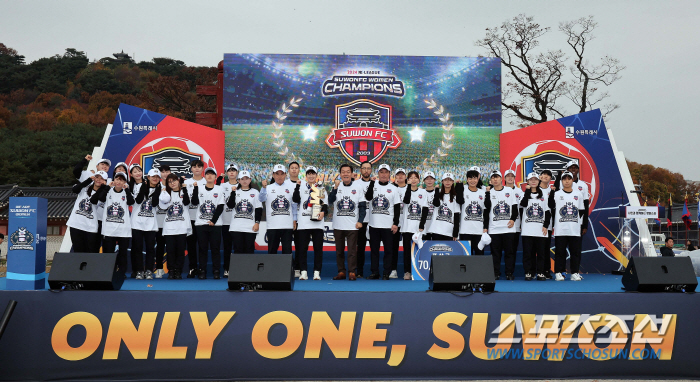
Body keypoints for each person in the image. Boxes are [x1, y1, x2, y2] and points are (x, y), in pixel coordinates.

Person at [329, 164, 367, 281]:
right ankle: (341, 271)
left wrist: (360, 220)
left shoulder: (358, 187)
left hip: (352, 225)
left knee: (352, 251)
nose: (345, 174)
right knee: (339, 251)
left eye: (348, 172)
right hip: (338, 224)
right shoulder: (336, 186)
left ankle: (352, 272)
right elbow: (330, 201)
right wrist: (335, 188)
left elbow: (362, 206)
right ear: (340, 174)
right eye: (343, 172)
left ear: (352, 174)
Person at [548, 171, 587, 281]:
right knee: (560, 252)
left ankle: (574, 273)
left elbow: (581, 210)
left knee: (575, 252)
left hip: (574, 229)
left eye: (569, 179)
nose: (566, 181)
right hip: (561, 229)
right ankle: (558, 273)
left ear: (572, 180)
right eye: (564, 179)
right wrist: (551, 192)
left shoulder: (578, 194)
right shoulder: (557, 194)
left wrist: (576, 223)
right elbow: (551, 206)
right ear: (562, 181)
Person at [94, 171, 134, 277]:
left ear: (125, 182)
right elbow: (101, 198)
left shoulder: (127, 192)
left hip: (123, 229)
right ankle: (108, 272)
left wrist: (127, 190)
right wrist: (107, 187)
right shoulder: (108, 191)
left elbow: (131, 202)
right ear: (113, 180)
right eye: (117, 179)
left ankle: (121, 273)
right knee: (108, 253)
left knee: (123, 253)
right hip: (109, 229)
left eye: (121, 180)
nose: (118, 181)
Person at [364, 164, 401, 280]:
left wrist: (395, 224)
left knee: (388, 251)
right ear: (378, 174)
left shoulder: (394, 188)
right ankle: (375, 272)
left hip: (388, 225)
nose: (384, 174)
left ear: (389, 174)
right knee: (374, 251)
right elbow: (368, 197)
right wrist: (371, 183)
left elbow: (396, 208)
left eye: (386, 172)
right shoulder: (372, 185)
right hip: (374, 224)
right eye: (381, 172)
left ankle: (386, 272)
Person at [293, 166, 328, 280]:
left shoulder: (321, 188)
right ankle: (303, 272)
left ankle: (317, 272)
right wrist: (297, 186)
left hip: (317, 224)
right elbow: (295, 199)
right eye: (309, 174)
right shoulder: (301, 186)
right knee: (302, 249)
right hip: (303, 223)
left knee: (318, 249)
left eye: (313, 174)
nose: (311, 176)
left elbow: (325, 205)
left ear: (316, 175)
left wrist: (323, 212)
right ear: (306, 176)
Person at [192, 167, 225, 279]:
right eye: (207, 174)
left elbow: (220, 206)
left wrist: (213, 221)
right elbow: (194, 202)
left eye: (212, 174)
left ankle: (216, 271)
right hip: (201, 224)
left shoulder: (219, 189)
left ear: (216, 177)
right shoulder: (199, 188)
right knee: (202, 249)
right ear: (204, 176)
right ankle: (202, 271)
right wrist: (195, 189)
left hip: (216, 224)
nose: (209, 176)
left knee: (215, 249)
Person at [485, 170, 518, 280]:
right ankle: (495, 273)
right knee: (495, 253)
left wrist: (513, 219)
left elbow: (514, 207)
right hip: (494, 228)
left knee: (509, 253)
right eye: (493, 177)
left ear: (501, 179)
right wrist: (487, 193)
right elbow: (486, 209)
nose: (495, 179)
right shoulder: (489, 192)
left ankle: (509, 273)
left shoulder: (509, 190)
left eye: (497, 177)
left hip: (508, 228)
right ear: (491, 180)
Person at [260, 164, 297, 257]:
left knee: (287, 252)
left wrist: (294, 219)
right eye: (277, 174)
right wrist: (263, 188)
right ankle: (271, 271)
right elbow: (261, 199)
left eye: (282, 174)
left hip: (287, 226)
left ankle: (287, 271)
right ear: (273, 175)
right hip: (272, 226)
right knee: (272, 251)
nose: (279, 176)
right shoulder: (267, 188)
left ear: (285, 175)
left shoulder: (291, 188)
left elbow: (294, 205)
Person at [130, 169, 161, 280]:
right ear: (148, 177)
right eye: (153, 176)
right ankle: (139, 271)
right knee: (137, 248)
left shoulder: (160, 189)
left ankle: (148, 270)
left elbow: (154, 203)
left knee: (150, 249)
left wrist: (157, 190)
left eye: (157, 177)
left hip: (151, 224)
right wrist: (144, 187)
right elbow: (137, 201)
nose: (155, 178)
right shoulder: (137, 186)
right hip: (137, 223)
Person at [520, 172, 551, 281]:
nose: (533, 181)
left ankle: (540, 272)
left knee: (541, 253)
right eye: (531, 179)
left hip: (540, 230)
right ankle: (529, 272)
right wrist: (527, 191)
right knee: (528, 253)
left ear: (538, 181)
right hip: (527, 230)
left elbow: (548, 212)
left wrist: (546, 225)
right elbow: (522, 205)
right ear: (527, 182)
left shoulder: (544, 196)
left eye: (535, 179)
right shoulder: (523, 194)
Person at [159, 174, 192, 279]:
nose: (172, 183)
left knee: (180, 251)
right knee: (170, 251)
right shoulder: (166, 193)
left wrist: (184, 188)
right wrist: (163, 193)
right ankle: (171, 270)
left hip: (182, 226)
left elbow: (187, 202)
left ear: (178, 181)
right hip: (169, 227)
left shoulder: (184, 191)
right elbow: (162, 206)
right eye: (169, 182)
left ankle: (178, 271)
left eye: (174, 180)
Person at [66, 171, 108, 253]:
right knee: (78, 251)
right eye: (97, 177)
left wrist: (103, 187)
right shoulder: (85, 188)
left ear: (105, 181)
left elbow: (94, 200)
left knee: (90, 252)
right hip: (76, 224)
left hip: (90, 227)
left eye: (101, 178)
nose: (98, 180)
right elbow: (75, 189)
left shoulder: (103, 194)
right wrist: (88, 180)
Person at [227, 171, 262, 259]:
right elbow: (230, 205)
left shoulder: (255, 192)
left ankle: (248, 272)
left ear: (250, 180)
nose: (244, 181)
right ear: (239, 180)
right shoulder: (235, 191)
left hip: (250, 227)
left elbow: (259, 208)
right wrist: (233, 193)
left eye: (247, 178)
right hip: (236, 227)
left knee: (249, 250)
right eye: (242, 179)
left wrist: (257, 222)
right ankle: (239, 272)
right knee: (238, 250)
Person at [400, 171, 429, 280]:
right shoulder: (404, 191)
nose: (413, 180)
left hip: (419, 228)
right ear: (408, 180)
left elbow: (425, 210)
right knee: (407, 252)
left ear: (419, 179)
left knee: (420, 251)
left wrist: (421, 226)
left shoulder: (423, 192)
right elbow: (406, 201)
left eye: (415, 178)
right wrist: (408, 187)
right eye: (411, 178)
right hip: (407, 227)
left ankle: (419, 272)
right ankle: (407, 272)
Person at [457, 167, 488, 255]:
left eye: (474, 178)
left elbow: (485, 212)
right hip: (465, 230)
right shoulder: (463, 190)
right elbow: (459, 201)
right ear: (467, 179)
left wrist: (485, 227)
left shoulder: (483, 192)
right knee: (466, 256)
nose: (472, 180)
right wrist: (458, 185)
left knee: (479, 256)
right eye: (470, 178)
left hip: (479, 231)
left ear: (478, 179)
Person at [183, 160, 205, 277]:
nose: (197, 169)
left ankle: (202, 268)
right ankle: (192, 268)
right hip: (190, 219)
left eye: (199, 166)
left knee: (202, 245)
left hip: (203, 219)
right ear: (191, 169)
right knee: (191, 245)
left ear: (202, 169)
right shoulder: (186, 182)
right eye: (194, 166)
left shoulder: (207, 182)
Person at [220, 164, 239, 275]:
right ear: (227, 173)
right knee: (227, 247)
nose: (232, 172)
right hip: (225, 221)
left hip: (238, 222)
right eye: (229, 171)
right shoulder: (222, 186)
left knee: (237, 247)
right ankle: (227, 268)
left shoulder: (242, 185)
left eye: (234, 170)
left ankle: (236, 268)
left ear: (237, 173)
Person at [429, 173, 461, 241]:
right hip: (436, 230)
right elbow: (436, 204)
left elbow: (456, 216)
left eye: (450, 180)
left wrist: (455, 233)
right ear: (442, 181)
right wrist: (437, 190)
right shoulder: (437, 193)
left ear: (453, 182)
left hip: (449, 231)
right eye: (445, 180)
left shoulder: (455, 197)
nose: (447, 182)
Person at [355, 160, 373, 278]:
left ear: (371, 170)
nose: (366, 170)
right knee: (360, 248)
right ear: (360, 170)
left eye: (368, 168)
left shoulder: (376, 184)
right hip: (360, 221)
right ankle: (359, 271)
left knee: (374, 249)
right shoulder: (355, 184)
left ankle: (374, 271)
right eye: (364, 168)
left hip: (373, 221)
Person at [390, 168, 408, 278]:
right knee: (393, 247)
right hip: (395, 222)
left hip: (407, 222)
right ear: (395, 176)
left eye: (402, 174)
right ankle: (393, 270)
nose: (400, 176)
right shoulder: (391, 188)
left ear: (405, 176)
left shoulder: (411, 188)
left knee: (407, 248)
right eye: (398, 174)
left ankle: (408, 271)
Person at [154, 165, 171, 278]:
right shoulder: (156, 186)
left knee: (170, 247)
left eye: (166, 171)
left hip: (171, 222)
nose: (165, 174)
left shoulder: (174, 185)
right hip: (158, 222)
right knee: (160, 246)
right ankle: (159, 268)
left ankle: (171, 269)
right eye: (162, 172)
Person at [539, 169, 554, 279]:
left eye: (548, 175)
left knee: (545, 248)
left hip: (547, 224)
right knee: (536, 249)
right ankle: (536, 271)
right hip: (533, 224)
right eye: (543, 174)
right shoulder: (533, 189)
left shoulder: (552, 190)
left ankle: (546, 270)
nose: (545, 176)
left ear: (550, 179)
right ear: (540, 176)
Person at [504, 169, 523, 256]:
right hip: (502, 223)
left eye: (512, 176)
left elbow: (522, 208)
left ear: (515, 178)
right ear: (504, 178)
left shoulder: (519, 191)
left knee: (513, 249)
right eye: (508, 176)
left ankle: (510, 269)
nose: (510, 178)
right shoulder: (500, 190)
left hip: (516, 224)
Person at [422, 171, 438, 239]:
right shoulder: (421, 192)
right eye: (427, 179)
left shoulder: (439, 192)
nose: (429, 181)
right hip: (424, 226)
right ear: (424, 181)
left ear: (434, 180)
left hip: (435, 226)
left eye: (431, 179)